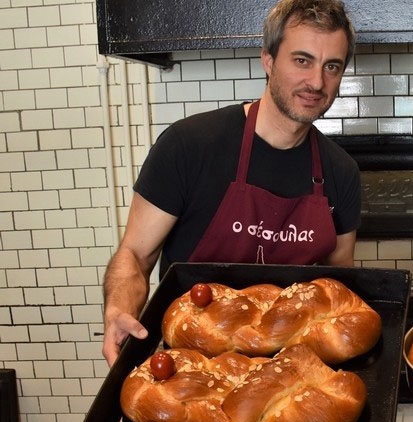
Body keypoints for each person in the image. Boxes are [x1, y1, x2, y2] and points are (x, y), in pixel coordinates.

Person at [101, 0, 361, 366]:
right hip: (192, 369)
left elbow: (339, 282)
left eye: (331, 66)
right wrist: (118, 311)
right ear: (268, 60)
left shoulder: (342, 171)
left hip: (291, 372)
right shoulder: (189, 146)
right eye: (302, 60)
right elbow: (134, 255)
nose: (317, 82)